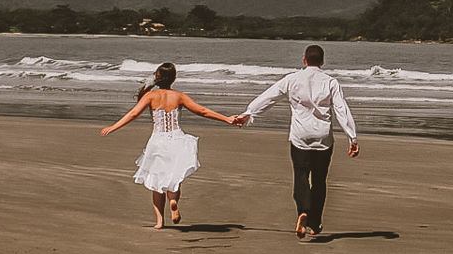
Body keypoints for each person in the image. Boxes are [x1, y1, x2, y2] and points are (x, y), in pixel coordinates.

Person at [237, 44, 359, 239]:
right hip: (323, 138)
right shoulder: (330, 82)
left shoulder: (292, 79)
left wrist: (249, 112)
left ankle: (303, 210)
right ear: (322, 61)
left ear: (304, 60)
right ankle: (314, 222)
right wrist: (352, 136)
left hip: (300, 136)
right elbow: (341, 109)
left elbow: (269, 97)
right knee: (319, 180)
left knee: (301, 176)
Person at [101, 62, 241, 229]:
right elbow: (202, 111)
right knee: (174, 178)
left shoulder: (150, 97)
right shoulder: (179, 96)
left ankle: (160, 222)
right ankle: (173, 200)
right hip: (177, 139)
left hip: (157, 141)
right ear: (174, 79)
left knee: (156, 181)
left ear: (157, 77)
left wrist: (113, 127)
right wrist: (226, 119)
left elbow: (133, 114)